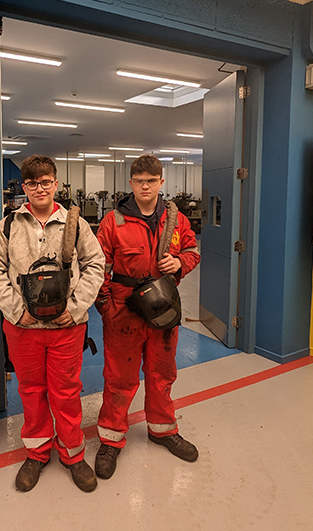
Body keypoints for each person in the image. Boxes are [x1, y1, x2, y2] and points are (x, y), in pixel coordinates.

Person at [0, 155, 105, 492]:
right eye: (32, 183)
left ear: (56, 183)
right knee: (32, 392)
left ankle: (72, 454)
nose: (39, 189)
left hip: (67, 327)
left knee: (66, 393)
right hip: (23, 329)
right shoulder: (9, 224)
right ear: (24, 187)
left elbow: (96, 263)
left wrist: (77, 308)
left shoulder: (75, 223)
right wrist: (14, 310)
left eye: (46, 182)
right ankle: (37, 453)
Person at [93, 154, 200, 480]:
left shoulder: (176, 219)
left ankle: (163, 430)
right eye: (139, 181)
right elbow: (98, 267)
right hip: (124, 310)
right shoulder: (113, 222)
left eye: (151, 181)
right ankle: (111, 439)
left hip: (163, 309)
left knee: (161, 373)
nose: (145, 186)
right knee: (119, 378)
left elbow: (193, 250)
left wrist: (180, 263)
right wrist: (106, 307)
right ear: (131, 183)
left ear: (160, 183)